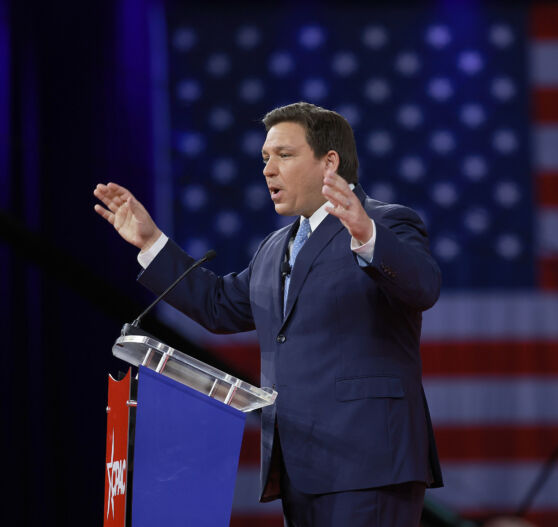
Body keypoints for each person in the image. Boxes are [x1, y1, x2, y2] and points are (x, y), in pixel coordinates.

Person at [94, 102, 443, 526]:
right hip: (300, 465)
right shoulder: (275, 247)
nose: (268, 169)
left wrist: (367, 234)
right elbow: (219, 306)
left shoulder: (387, 223)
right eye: (264, 158)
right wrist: (150, 242)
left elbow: (422, 286)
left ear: (329, 162)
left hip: (369, 462)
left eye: (284, 155)